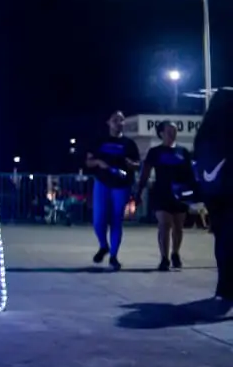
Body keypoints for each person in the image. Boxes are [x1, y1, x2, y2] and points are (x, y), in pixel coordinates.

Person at [135, 120, 196, 271]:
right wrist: (139, 191)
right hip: (162, 192)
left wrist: (193, 193)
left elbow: (191, 174)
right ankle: (164, 258)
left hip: (180, 193)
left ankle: (175, 253)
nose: (172, 133)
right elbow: (145, 172)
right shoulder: (155, 152)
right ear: (161, 133)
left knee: (178, 226)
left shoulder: (183, 152)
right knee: (164, 224)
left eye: (174, 130)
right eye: (168, 130)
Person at [86, 110, 140, 270]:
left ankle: (114, 257)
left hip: (121, 185)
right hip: (102, 182)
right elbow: (88, 162)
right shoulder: (99, 141)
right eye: (115, 120)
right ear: (108, 122)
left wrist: (131, 164)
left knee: (116, 220)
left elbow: (138, 164)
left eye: (121, 120)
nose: (119, 123)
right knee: (98, 220)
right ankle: (104, 246)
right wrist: (98, 163)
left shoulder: (129, 144)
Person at [193, 90, 233, 302]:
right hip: (229, 187)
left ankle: (224, 287)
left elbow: (198, 160)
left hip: (213, 192)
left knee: (222, 239)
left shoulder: (205, 130)